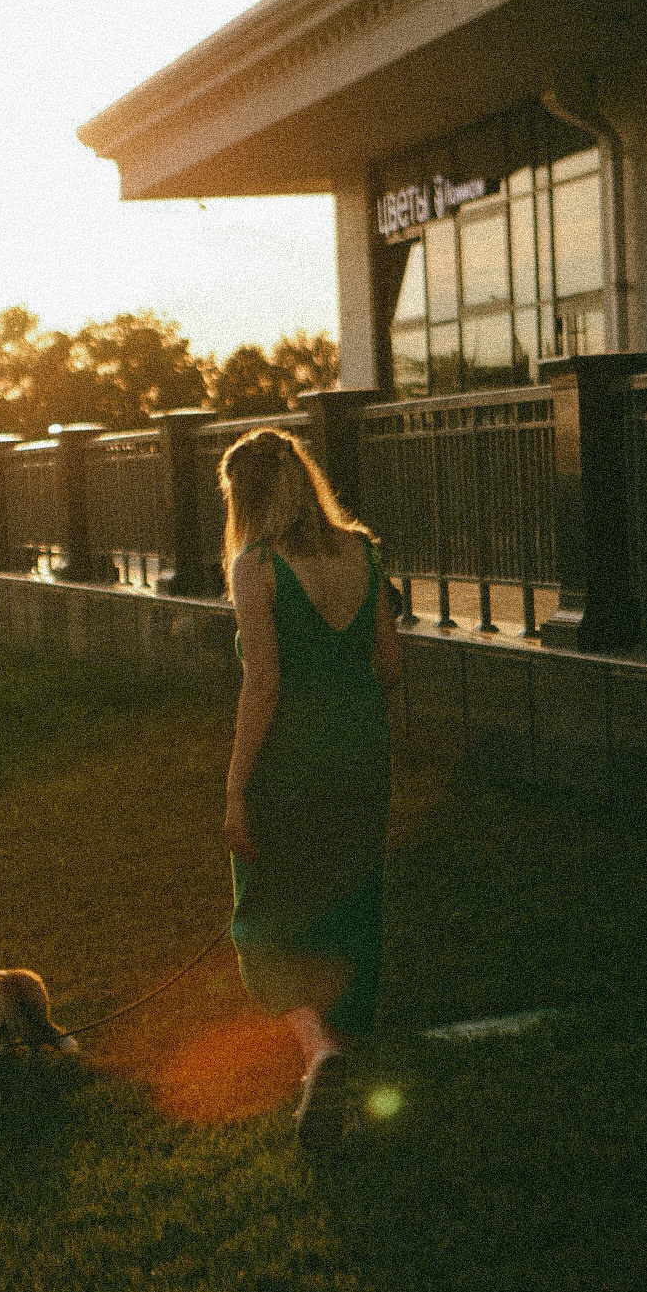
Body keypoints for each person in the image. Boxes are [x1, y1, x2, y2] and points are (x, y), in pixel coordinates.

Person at [219, 428, 402, 1150]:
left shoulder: (255, 565)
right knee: (347, 914)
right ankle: (335, 1097)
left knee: (261, 919)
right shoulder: (364, 550)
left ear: (244, 495)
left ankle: (318, 1052)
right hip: (361, 755)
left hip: (288, 761)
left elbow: (262, 683)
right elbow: (389, 667)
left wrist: (236, 789)